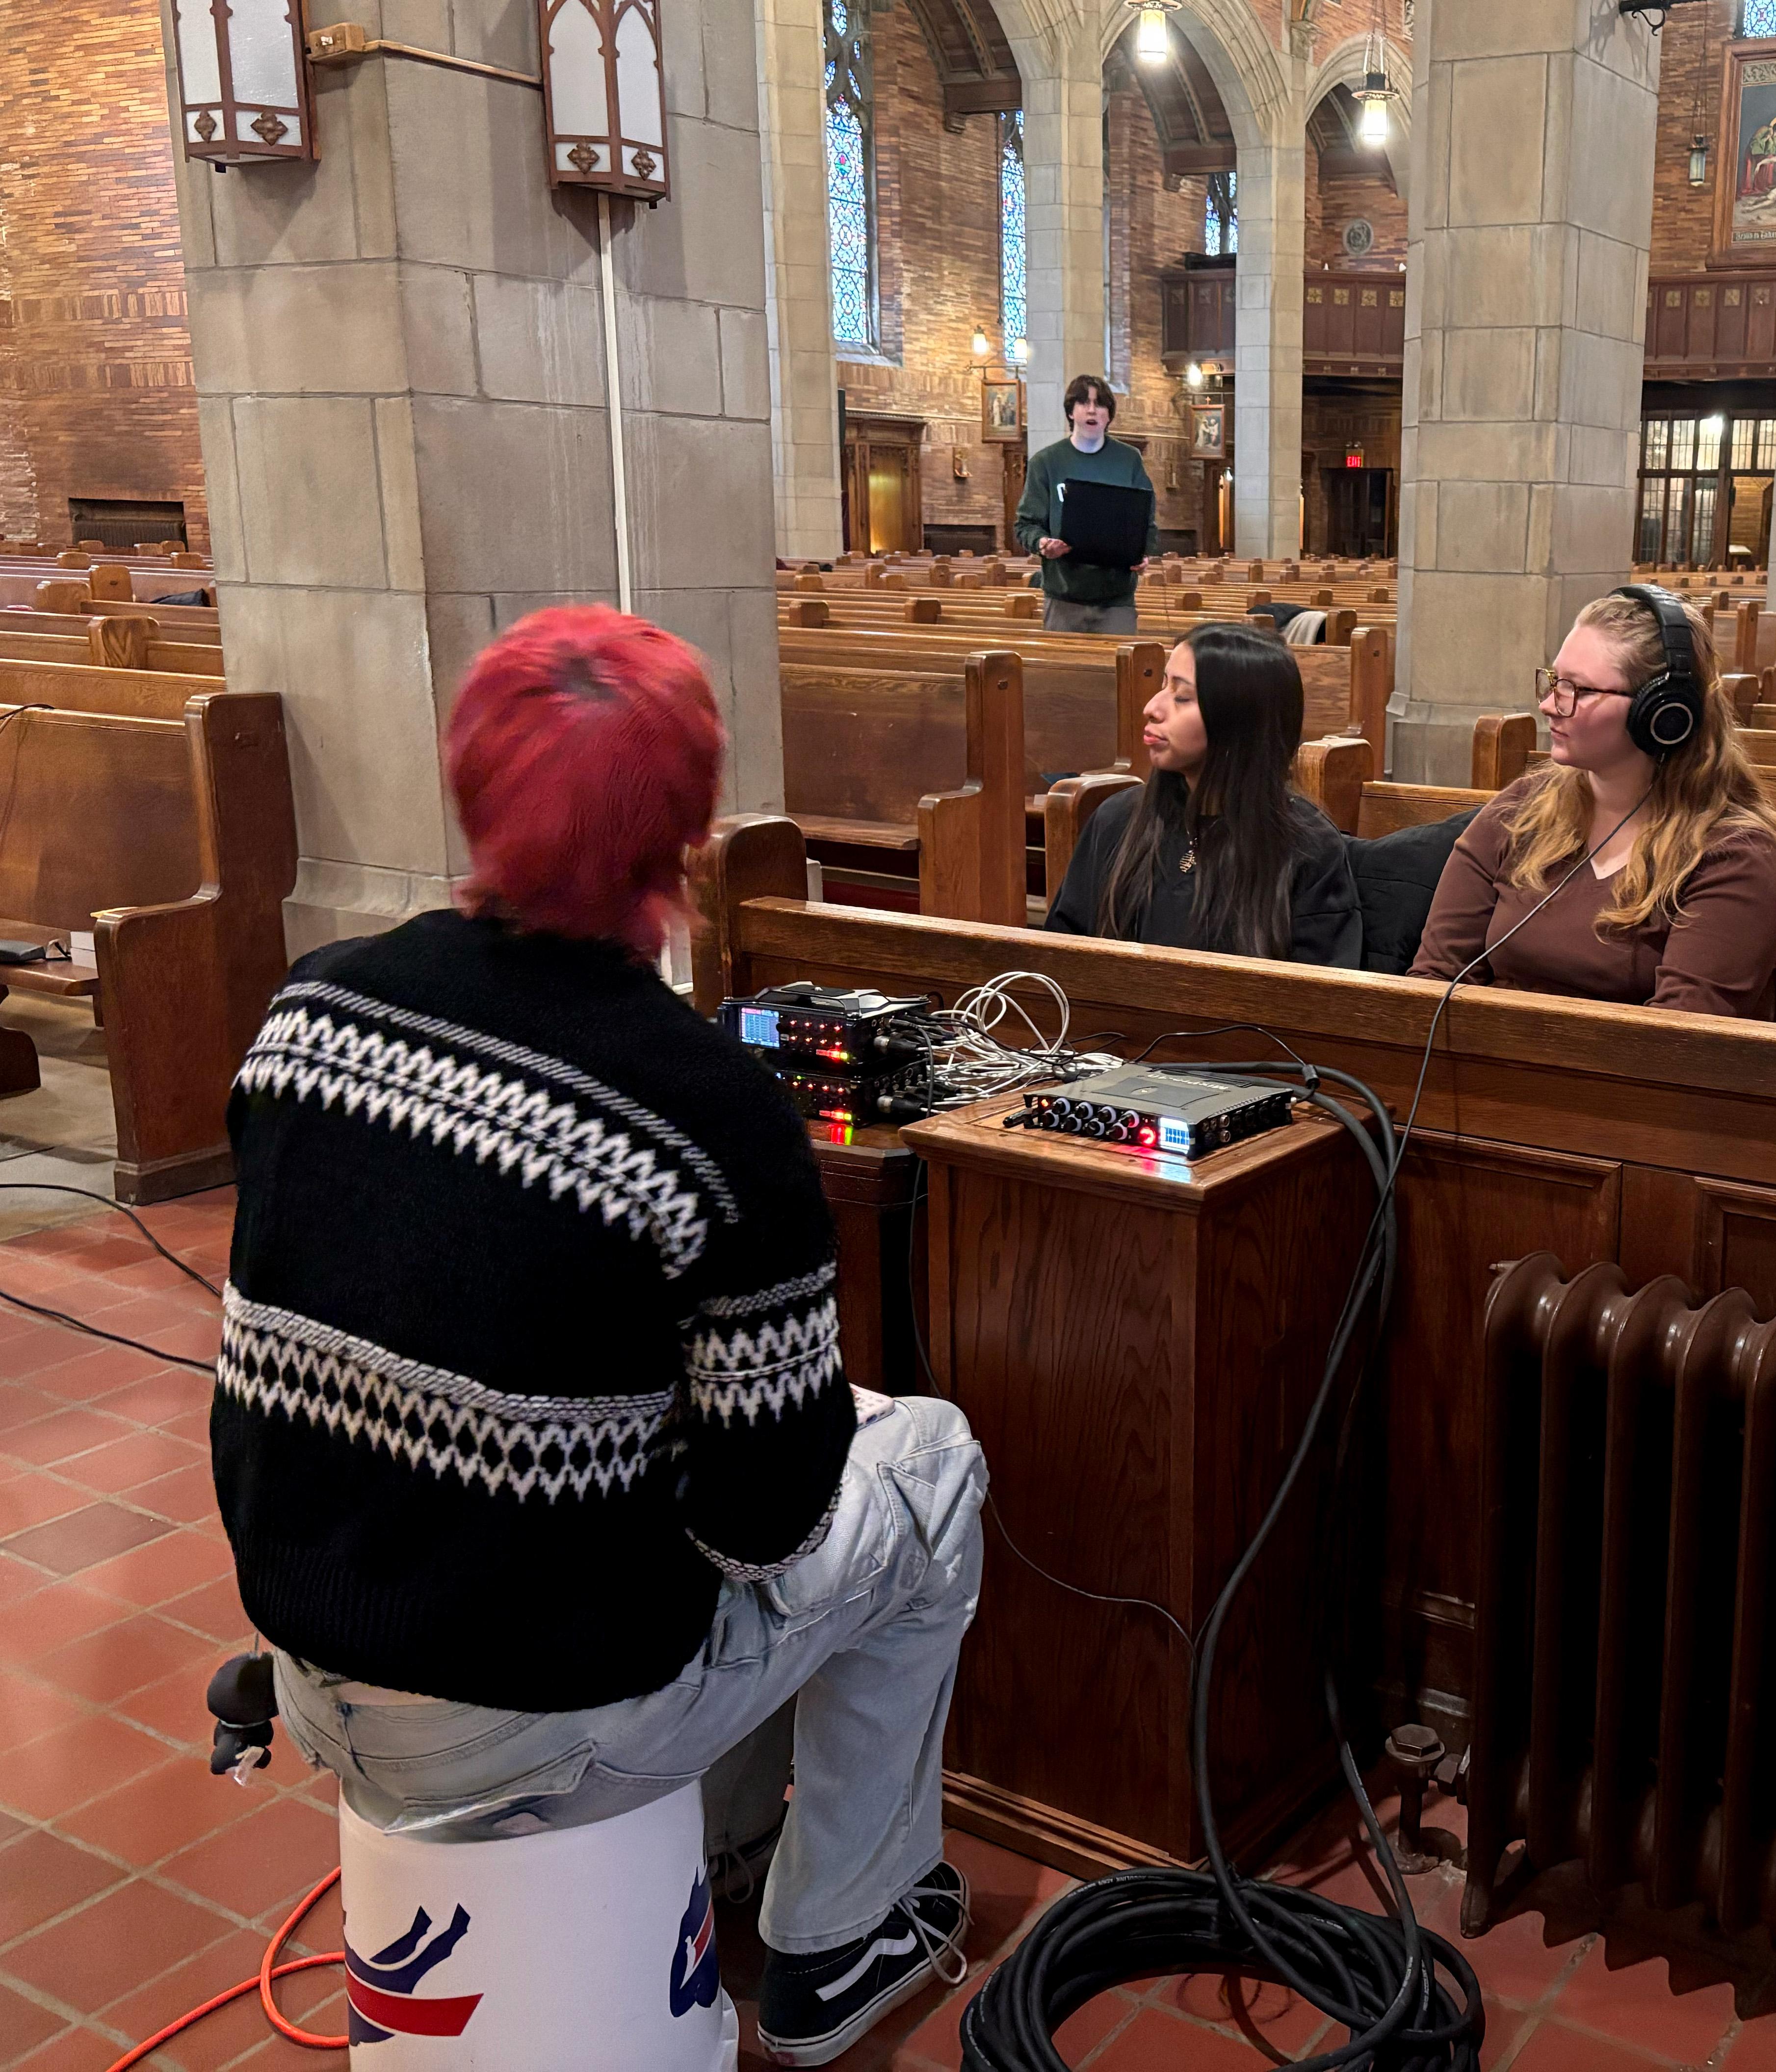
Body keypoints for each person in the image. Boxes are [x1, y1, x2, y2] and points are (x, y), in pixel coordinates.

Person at [215, 606, 988, 2068]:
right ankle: (844, 1935)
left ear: (470, 787)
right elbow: (766, 1516)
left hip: (313, 1666)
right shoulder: (707, 1113)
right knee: (924, 1459)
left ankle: (720, 1837)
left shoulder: (302, 1014)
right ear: (688, 839)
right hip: (540, 1717)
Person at [1408, 588, 1776, 1016]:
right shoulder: (1522, 808)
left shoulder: (1731, 855)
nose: (1549, 704)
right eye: (1554, 680)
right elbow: (1435, 977)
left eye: (1578, 690)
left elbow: (1682, 1046)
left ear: (1663, 714)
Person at [1045, 621, 1363, 965]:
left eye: (1182, 696)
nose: (1152, 707)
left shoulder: (1308, 846)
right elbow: (1058, 962)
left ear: (1238, 719)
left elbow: (1323, 999)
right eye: (1163, 686)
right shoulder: (1118, 818)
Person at [1014, 373, 1155, 633]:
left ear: (1109, 415)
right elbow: (1026, 524)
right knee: (1065, 672)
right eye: (1083, 403)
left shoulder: (1129, 460)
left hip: (1117, 598)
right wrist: (1043, 544)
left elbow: (1146, 520)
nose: (1092, 410)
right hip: (1064, 595)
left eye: (1100, 404)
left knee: (1121, 671)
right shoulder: (1046, 462)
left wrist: (1143, 554)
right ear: (1071, 412)